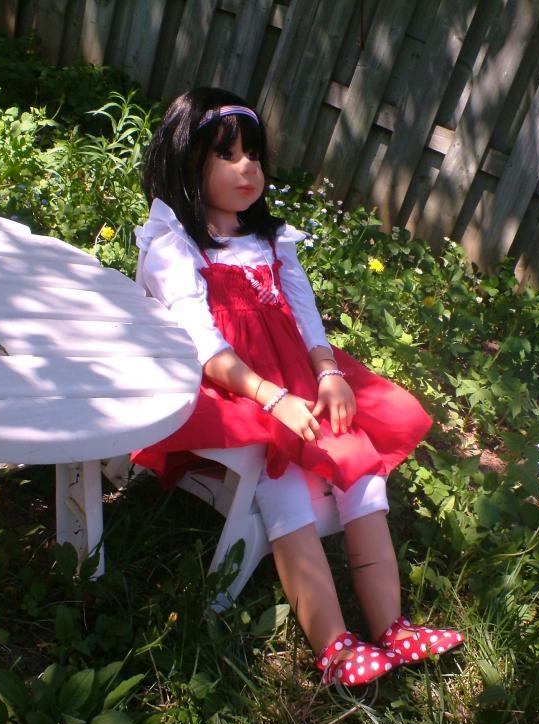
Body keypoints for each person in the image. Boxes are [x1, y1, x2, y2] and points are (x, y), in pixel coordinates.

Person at [132, 87, 464, 687]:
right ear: (187, 161)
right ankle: (334, 646)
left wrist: (328, 372)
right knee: (283, 484)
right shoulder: (175, 247)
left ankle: (391, 625)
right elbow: (203, 344)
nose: (248, 168)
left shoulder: (271, 241)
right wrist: (273, 398)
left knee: (360, 468)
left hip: (296, 377)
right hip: (235, 387)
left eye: (254, 155)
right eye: (227, 155)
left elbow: (305, 316)